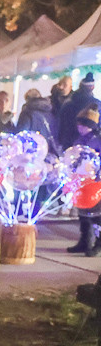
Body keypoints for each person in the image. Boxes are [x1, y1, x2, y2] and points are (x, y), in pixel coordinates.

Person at [69, 106, 101, 256]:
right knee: (83, 213)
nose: (79, 128)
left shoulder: (98, 140)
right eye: (78, 125)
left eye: (82, 125)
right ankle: (85, 241)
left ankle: (98, 243)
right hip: (82, 180)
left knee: (97, 214)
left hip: (95, 182)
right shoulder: (79, 140)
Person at [58, 73, 101, 150]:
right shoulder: (97, 105)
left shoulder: (68, 103)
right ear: (92, 87)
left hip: (68, 143)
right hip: (91, 145)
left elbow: (61, 125)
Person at [16, 88, 59, 154]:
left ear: (27, 99)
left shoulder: (27, 112)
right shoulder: (50, 111)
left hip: (33, 152)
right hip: (50, 150)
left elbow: (21, 133)